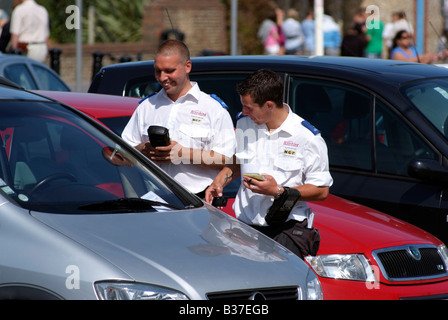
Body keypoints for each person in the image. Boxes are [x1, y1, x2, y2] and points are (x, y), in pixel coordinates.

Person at [205, 69, 333, 259]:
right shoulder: (244, 123)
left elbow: (321, 190)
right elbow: (240, 160)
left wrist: (279, 191)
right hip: (244, 228)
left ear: (269, 105)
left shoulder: (307, 137)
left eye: (249, 108)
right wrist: (219, 182)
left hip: (286, 230)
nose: (243, 112)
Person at [121, 40, 236, 198]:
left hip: (198, 200)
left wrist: (182, 153)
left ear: (187, 66)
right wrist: (143, 149)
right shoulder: (147, 106)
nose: (162, 78)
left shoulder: (213, 109)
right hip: (153, 200)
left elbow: (228, 159)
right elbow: (121, 154)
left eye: (169, 71)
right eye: (158, 71)